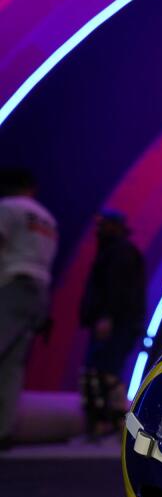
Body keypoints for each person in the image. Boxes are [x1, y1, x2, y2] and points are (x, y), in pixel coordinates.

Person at [0, 168, 57, 450]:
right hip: (39, 290)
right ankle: (4, 431)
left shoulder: (8, 208)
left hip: (12, 283)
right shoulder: (47, 218)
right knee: (13, 365)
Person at [79, 210, 145, 439]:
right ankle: (111, 426)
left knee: (104, 375)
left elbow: (118, 289)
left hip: (117, 321)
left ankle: (111, 426)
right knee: (104, 374)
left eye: (104, 225)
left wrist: (107, 316)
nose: (99, 230)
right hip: (120, 321)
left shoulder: (120, 253)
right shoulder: (117, 251)